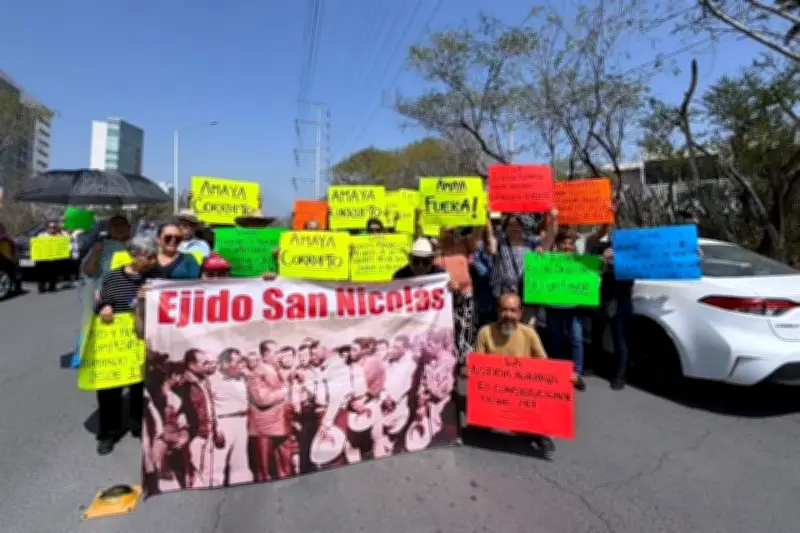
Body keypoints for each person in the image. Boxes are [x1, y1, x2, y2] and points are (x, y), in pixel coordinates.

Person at [94, 235, 158, 455]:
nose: (153, 261)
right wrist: (104, 307)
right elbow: (102, 300)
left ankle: (140, 424)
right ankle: (109, 432)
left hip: (145, 338)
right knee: (110, 388)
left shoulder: (157, 277)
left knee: (141, 386)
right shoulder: (113, 277)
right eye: (148, 257)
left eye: (154, 256)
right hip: (117, 343)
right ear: (134, 255)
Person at [473, 293, 555, 457]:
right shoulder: (485, 332)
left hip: (521, 391)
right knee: (479, 425)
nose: (508, 315)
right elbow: (477, 366)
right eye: (504, 310)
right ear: (497, 311)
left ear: (520, 313)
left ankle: (539, 432)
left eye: (512, 310)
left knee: (541, 396)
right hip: (494, 390)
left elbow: (545, 365)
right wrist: (469, 371)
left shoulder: (529, 333)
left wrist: (567, 378)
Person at [488, 210, 558, 326]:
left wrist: (553, 218)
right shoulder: (500, 243)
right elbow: (489, 237)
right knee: (507, 327)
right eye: (510, 225)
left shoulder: (532, 242)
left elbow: (550, 237)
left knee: (528, 328)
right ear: (505, 228)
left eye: (517, 225)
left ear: (522, 227)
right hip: (506, 295)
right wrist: (485, 216)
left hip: (528, 293)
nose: (514, 228)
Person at [545, 227, 586, 390]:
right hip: (553, 306)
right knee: (556, 338)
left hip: (574, 307)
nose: (567, 246)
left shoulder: (580, 260)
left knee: (576, 339)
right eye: (564, 243)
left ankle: (577, 373)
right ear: (557, 243)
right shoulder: (548, 259)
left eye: (570, 243)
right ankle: (560, 372)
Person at [82, 214, 132, 282]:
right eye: (115, 225)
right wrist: (95, 253)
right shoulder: (100, 247)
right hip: (107, 289)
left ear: (129, 228)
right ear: (109, 229)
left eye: (122, 225)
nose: (119, 228)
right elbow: (90, 272)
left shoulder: (137, 246)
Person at [35, 220, 66, 293]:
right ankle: (41, 287)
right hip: (43, 259)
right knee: (41, 273)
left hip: (54, 259)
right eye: (50, 227)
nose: (52, 229)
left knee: (54, 272)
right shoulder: (41, 236)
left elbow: (66, 239)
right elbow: (36, 246)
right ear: (47, 228)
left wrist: (61, 230)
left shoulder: (59, 237)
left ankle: (52, 286)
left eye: (54, 227)